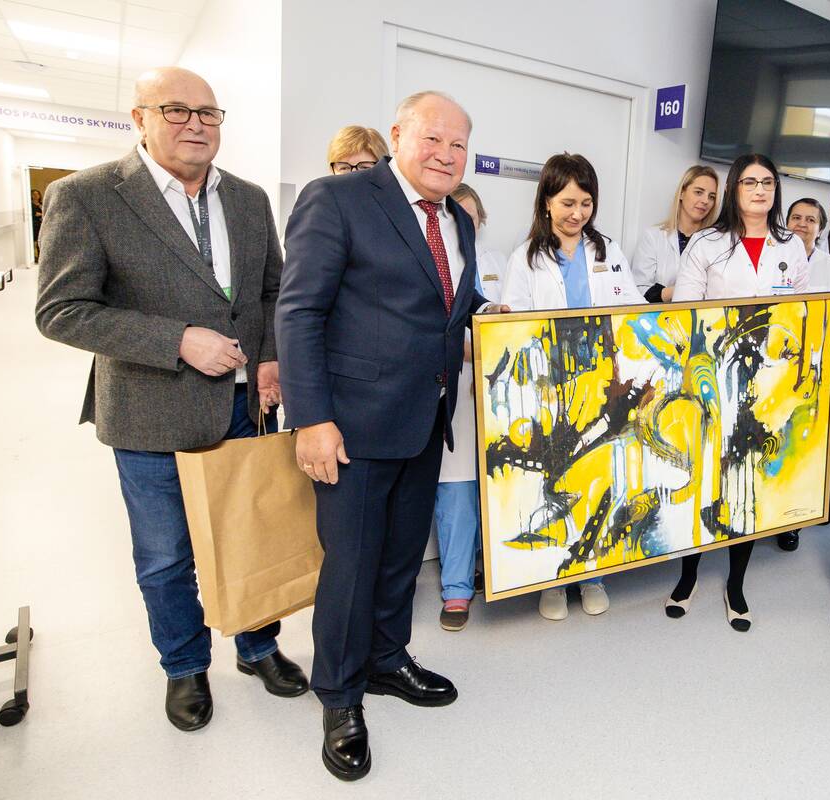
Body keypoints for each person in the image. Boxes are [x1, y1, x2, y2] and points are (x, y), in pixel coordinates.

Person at [34, 67, 305, 732]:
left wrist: (270, 357)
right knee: (166, 557)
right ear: (140, 118)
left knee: (249, 534)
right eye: (176, 110)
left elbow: (271, 289)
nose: (196, 125)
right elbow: (61, 310)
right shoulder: (87, 196)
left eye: (209, 113)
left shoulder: (247, 199)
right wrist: (176, 340)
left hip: (243, 406)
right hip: (148, 410)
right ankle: (184, 666)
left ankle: (257, 646)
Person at [277, 91, 500, 782]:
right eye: (433, 139)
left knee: (401, 555)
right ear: (398, 135)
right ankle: (340, 696)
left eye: (458, 145)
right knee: (351, 566)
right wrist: (312, 419)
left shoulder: (456, 219)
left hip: (426, 417)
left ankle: (385, 658)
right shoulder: (337, 199)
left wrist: (493, 312)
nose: (446, 155)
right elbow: (300, 311)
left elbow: (450, 302)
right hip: (352, 425)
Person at [666, 153, 809, 631]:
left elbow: (801, 314)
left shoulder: (791, 245)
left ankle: (736, 584)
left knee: (746, 481)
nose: (760, 190)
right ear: (734, 189)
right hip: (714, 379)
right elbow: (685, 312)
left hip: (765, 386)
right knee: (705, 474)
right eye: (750, 182)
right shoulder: (706, 242)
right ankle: (688, 575)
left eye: (767, 182)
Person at [500, 152, 645, 621]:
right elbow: (513, 329)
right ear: (546, 202)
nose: (577, 213)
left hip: (603, 384)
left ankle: (593, 573)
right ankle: (554, 579)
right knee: (556, 477)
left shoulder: (608, 252)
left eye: (586, 203)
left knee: (600, 472)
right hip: (552, 388)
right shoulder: (525, 258)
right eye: (567, 203)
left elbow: (631, 308)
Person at [433, 182, 503, 631]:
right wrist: (464, 348)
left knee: (499, 482)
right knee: (456, 488)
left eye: (472, 218)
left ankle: (492, 569)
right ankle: (457, 588)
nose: (465, 224)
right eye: (456, 216)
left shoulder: (498, 262)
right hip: (453, 387)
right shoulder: (433, 261)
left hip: (497, 388)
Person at [778, 196, 830, 550]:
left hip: (818, 367)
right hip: (775, 365)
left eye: (810, 219)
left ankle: (792, 521)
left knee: (803, 444)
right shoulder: (771, 258)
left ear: (820, 228)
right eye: (796, 217)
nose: (802, 224)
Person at [630, 165, 719, 302]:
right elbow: (639, 291)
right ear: (682, 193)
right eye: (698, 192)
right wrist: (685, 289)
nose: (705, 201)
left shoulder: (716, 242)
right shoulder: (653, 237)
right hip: (660, 314)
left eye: (711, 197)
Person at [30, 188, 43, 259]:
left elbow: (45, 212)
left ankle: (40, 256)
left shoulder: (41, 204)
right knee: (34, 241)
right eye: (34, 194)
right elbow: (35, 214)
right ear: (31, 196)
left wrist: (41, 210)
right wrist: (42, 214)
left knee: (40, 241)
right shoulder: (30, 205)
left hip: (41, 225)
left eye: (37, 194)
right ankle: (34, 257)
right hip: (34, 225)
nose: (36, 196)